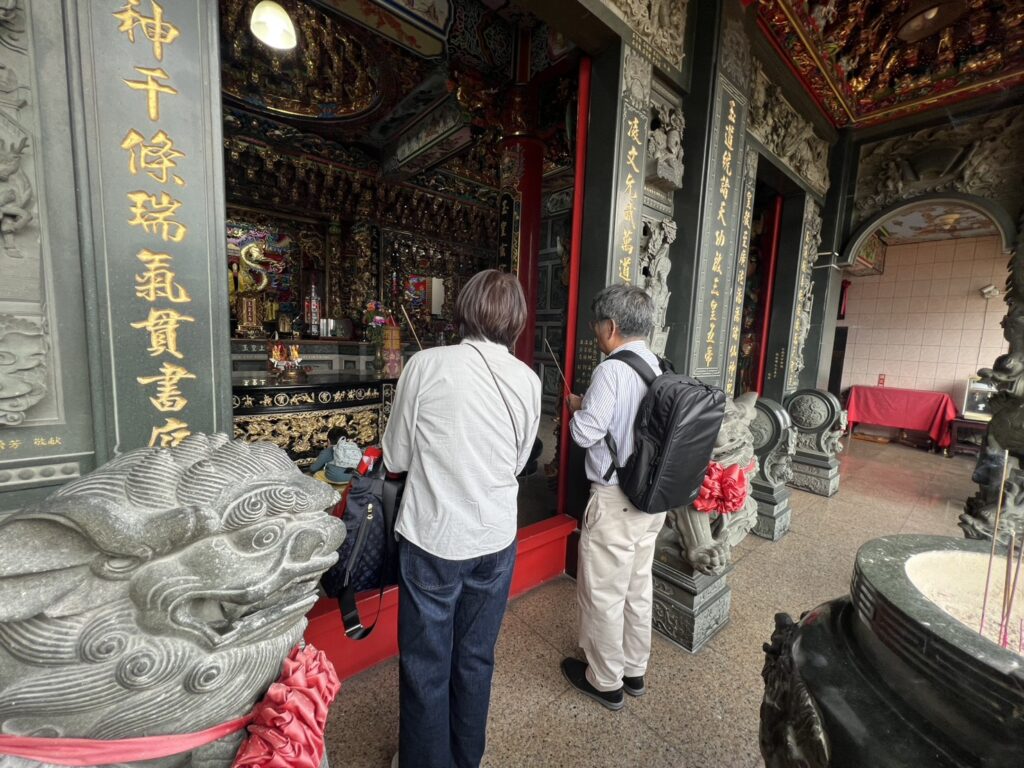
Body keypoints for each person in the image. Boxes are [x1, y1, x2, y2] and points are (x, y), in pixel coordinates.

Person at [382, 269, 541, 768]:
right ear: (516, 320)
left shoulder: (425, 365)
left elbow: (396, 457)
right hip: (495, 538)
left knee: (426, 663)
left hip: (433, 536)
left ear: (464, 310)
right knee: (475, 657)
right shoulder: (528, 379)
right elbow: (519, 461)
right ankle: (465, 757)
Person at [563, 284, 666, 711]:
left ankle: (605, 681)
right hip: (651, 499)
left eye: (596, 326)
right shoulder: (657, 366)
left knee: (604, 591)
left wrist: (576, 410)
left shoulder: (611, 370)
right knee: (638, 585)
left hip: (616, 499)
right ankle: (634, 669)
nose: (596, 333)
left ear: (610, 326)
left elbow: (585, 434)